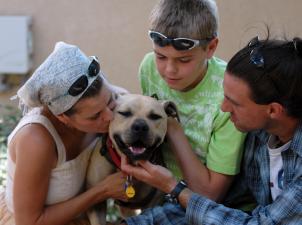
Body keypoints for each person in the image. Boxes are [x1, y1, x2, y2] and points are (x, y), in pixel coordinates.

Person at [121, 36, 302, 224]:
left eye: (234, 103)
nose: (223, 108)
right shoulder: (259, 134)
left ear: (273, 110)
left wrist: (174, 188)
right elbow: (223, 208)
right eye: (225, 96)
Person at [0, 42, 129, 225]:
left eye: (110, 101)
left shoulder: (106, 103)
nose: (109, 117)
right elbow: (29, 222)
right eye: (95, 116)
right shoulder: (36, 141)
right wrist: (102, 191)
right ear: (63, 118)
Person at [139, 0, 245, 202]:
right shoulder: (148, 68)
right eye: (160, 56)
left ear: (211, 47)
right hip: (161, 194)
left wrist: (172, 126)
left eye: (184, 60)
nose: (169, 70)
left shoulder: (229, 92)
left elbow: (210, 195)